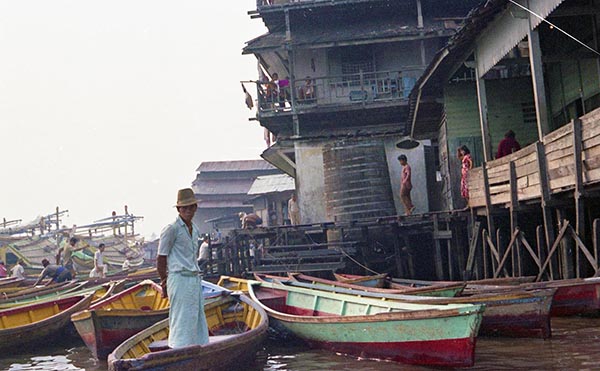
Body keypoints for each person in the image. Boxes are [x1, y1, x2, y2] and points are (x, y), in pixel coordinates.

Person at [157, 188, 209, 348]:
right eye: (184, 208)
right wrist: (164, 282)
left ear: (195, 208)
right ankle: (178, 351)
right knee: (181, 318)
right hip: (178, 279)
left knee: (196, 317)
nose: (188, 211)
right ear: (179, 209)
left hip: (193, 278)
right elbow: (161, 258)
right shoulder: (171, 229)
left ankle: (197, 350)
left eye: (191, 207)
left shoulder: (195, 230)